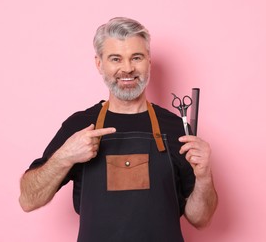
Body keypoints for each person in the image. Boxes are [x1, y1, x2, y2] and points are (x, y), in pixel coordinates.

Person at [19, 17, 218, 242]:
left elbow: (200, 219)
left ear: (149, 62)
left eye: (137, 57)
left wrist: (203, 177)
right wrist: (65, 156)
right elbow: (28, 199)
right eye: (116, 58)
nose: (127, 68)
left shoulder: (175, 127)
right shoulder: (79, 126)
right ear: (99, 63)